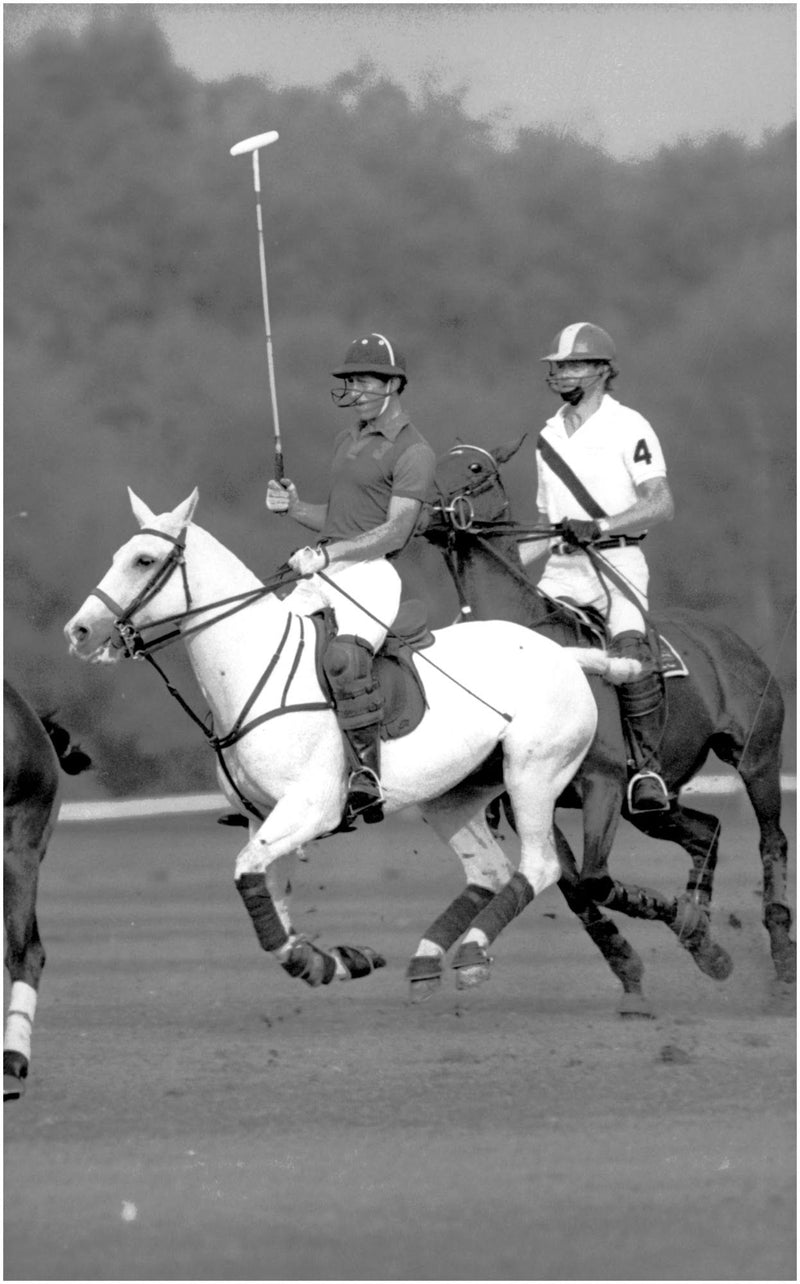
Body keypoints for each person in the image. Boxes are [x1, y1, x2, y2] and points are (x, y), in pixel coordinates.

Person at [266, 332, 436, 823]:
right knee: (272, 645)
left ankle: (366, 773)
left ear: (393, 384)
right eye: (349, 381)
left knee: (344, 659)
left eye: (362, 381)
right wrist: (295, 508)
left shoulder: (413, 451)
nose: (353, 391)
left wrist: (331, 554)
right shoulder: (348, 440)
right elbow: (341, 518)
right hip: (326, 567)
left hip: (370, 576)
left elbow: (394, 530)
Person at [519, 322, 675, 812]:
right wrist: (487, 556)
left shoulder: (630, 426)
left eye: (572, 364)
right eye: (557, 366)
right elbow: (546, 524)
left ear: (603, 371)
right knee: (523, 647)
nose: (561, 373)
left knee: (629, 650)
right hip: (563, 570)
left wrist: (600, 525)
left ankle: (646, 769)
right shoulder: (546, 436)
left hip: (617, 561)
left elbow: (661, 503)